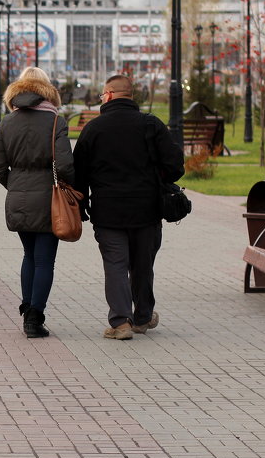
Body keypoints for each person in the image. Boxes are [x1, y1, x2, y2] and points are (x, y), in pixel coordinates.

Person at [73, 75, 184, 340]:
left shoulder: (94, 128)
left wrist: (83, 203)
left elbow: (78, 172)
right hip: (146, 210)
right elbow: (175, 166)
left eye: (102, 95)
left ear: (109, 94)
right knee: (142, 264)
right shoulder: (151, 125)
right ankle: (143, 317)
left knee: (115, 264)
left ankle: (121, 322)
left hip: (108, 211)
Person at [0, 67, 74, 338]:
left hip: (18, 197)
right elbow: (64, 164)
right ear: (47, 90)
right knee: (44, 260)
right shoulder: (55, 122)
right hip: (49, 198)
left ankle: (28, 311)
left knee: (29, 255)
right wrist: (67, 187)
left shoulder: (6, 122)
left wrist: (14, 185)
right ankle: (35, 317)